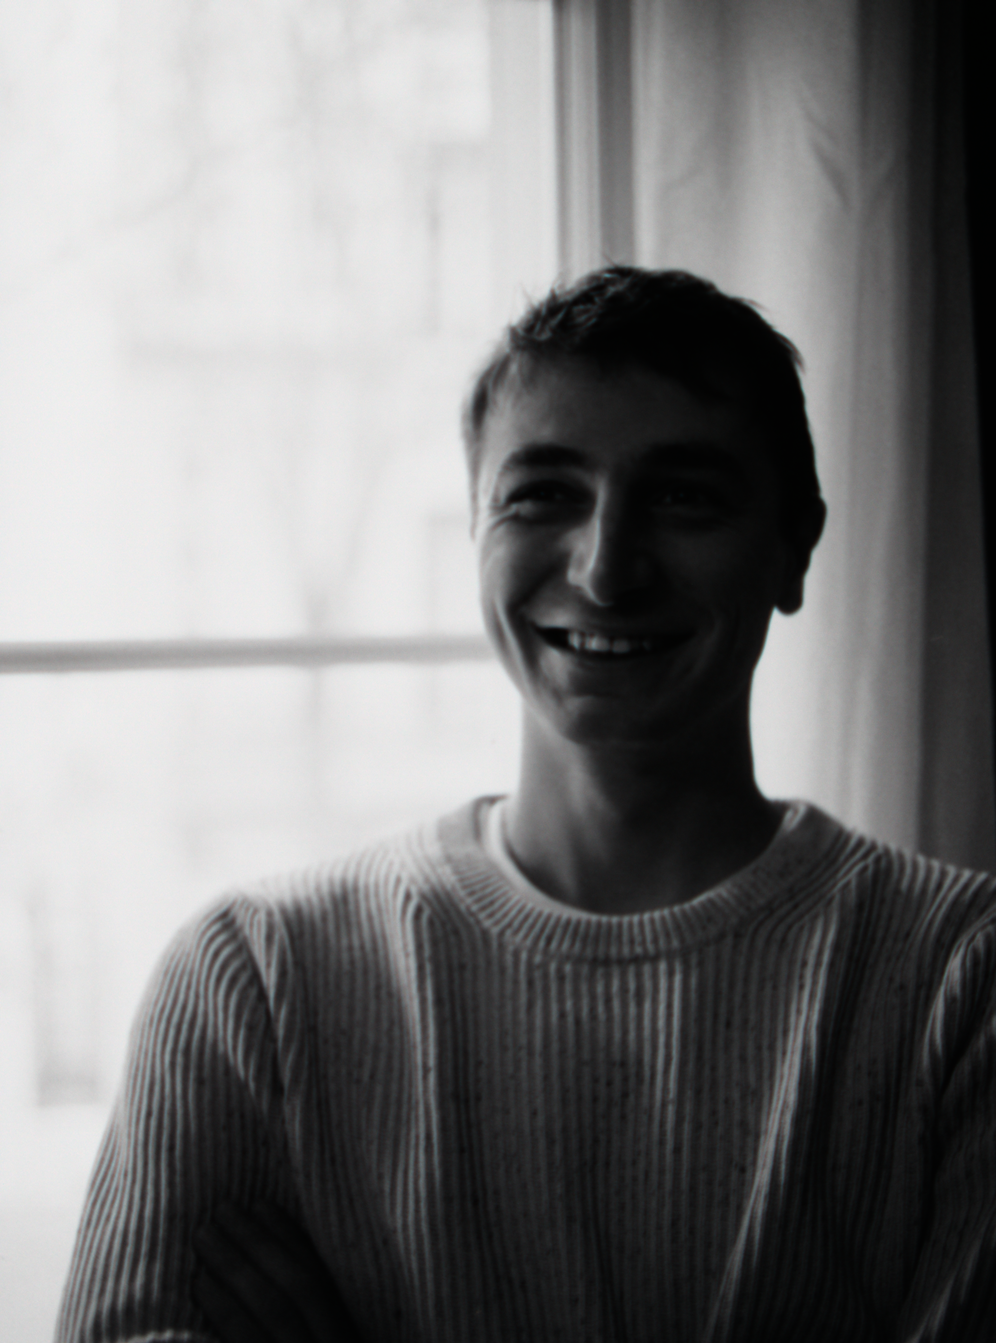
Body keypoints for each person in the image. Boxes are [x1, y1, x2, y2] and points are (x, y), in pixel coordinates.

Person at [56, 266, 996, 1343]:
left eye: (684, 495)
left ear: (795, 545)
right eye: (543, 493)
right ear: (475, 531)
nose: (606, 570)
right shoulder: (252, 982)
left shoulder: (963, 980)